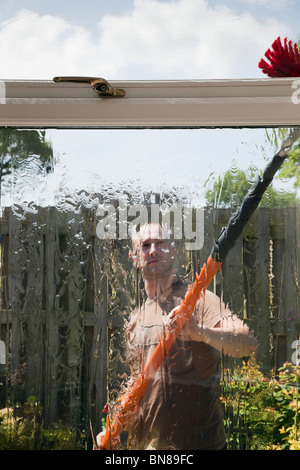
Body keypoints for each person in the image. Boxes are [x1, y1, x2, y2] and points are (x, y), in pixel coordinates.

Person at [97, 222, 256, 450]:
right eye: (145, 245)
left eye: (160, 243)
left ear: (175, 251)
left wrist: (200, 332)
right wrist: (113, 429)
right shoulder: (134, 321)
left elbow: (247, 343)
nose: (152, 250)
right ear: (135, 258)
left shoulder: (198, 299)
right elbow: (138, 390)